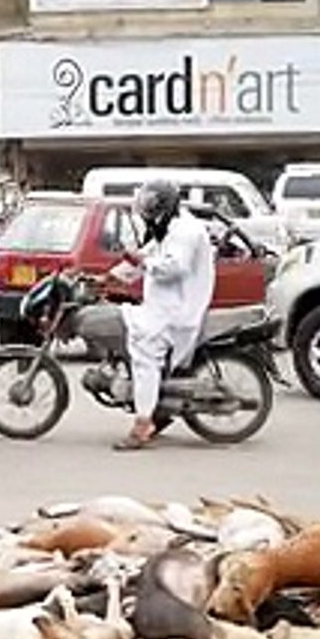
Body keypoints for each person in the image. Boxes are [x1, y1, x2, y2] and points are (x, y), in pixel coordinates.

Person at [113, 181, 217, 451]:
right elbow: (145, 255)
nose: (147, 211)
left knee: (144, 352)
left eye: (151, 205)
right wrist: (108, 278)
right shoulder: (168, 227)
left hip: (177, 310)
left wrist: (141, 263)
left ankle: (143, 422)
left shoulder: (185, 231)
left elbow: (173, 267)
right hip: (162, 305)